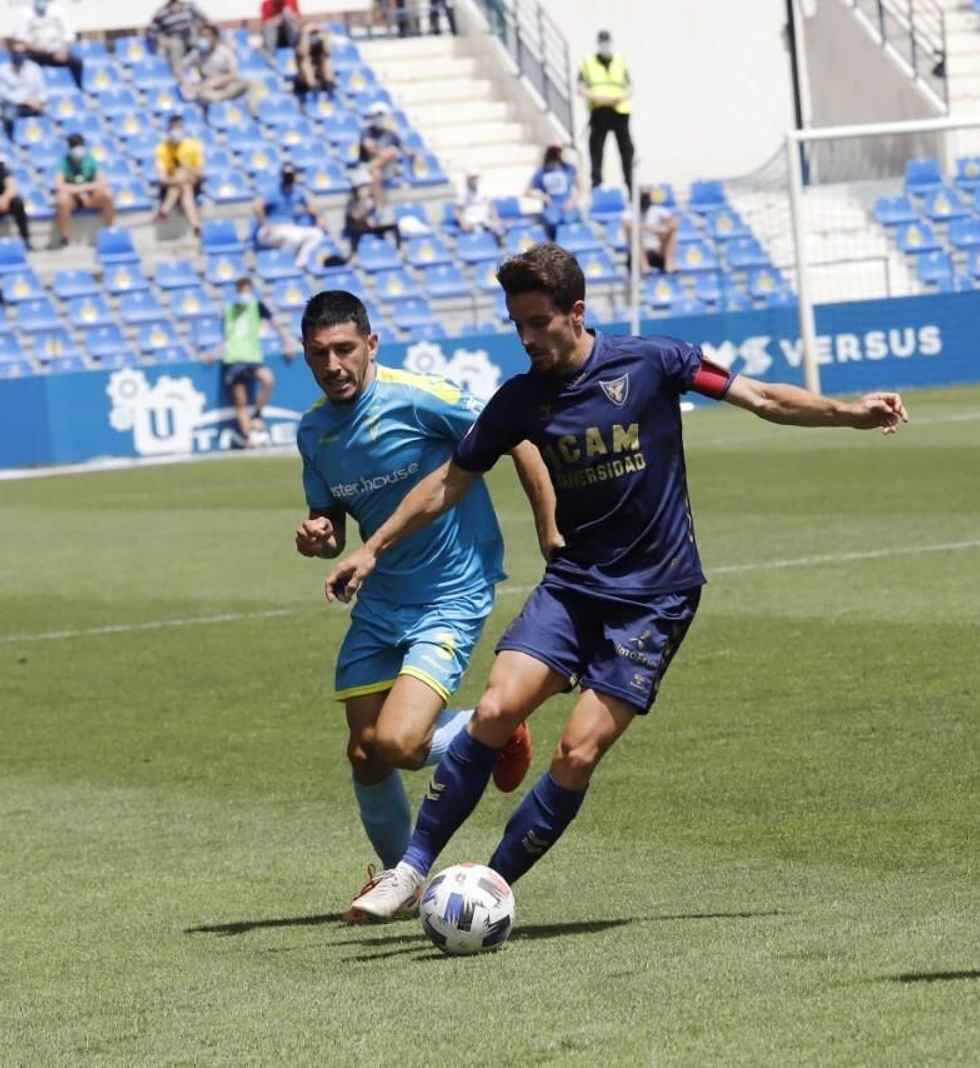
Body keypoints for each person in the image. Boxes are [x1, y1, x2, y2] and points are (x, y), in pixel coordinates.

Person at [334, 243, 909, 919]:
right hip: (575, 586)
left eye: (538, 322)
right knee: (492, 711)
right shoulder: (519, 400)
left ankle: (483, 892)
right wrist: (371, 547)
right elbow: (449, 482)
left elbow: (759, 396)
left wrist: (848, 412)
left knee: (576, 752)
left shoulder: (653, 360)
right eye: (516, 323)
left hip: (656, 597)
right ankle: (412, 869)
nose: (526, 337)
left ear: (577, 313)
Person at [293, 290, 555, 920]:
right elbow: (328, 515)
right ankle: (400, 880)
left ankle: (497, 728)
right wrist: (320, 534)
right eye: (317, 354)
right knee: (365, 752)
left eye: (344, 349)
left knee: (402, 743)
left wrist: (550, 525)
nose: (332, 364)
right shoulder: (314, 433)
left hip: (449, 592)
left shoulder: (419, 397)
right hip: (380, 598)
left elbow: (514, 436)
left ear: (371, 345)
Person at [202, 277, 296, 447]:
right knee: (240, 400)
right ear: (237, 291)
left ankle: (257, 414)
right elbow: (226, 338)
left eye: (247, 290)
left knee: (268, 379)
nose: (244, 294)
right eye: (242, 290)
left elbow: (275, 324)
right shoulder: (229, 310)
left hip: (252, 357)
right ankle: (249, 438)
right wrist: (214, 354)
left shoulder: (257, 306)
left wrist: (287, 342)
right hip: (233, 360)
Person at [578, 30, 634, 192]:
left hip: (620, 111)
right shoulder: (588, 62)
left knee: (626, 151)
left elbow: (629, 87)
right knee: (596, 151)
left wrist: (620, 97)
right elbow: (581, 88)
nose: (605, 45)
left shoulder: (620, 60)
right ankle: (596, 187)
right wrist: (598, 98)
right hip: (599, 111)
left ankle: (630, 186)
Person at [254, 162, 325, 268]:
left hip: (289, 227)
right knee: (294, 237)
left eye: (291, 175)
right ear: (282, 176)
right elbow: (256, 205)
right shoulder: (274, 190)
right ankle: (286, 263)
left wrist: (320, 216)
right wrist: (266, 225)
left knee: (317, 234)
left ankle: (300, 262)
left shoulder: (297, 191)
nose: (289, 178)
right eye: (287, 175)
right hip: (270, 231)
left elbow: (308, 206)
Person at [53, 133, 116, 249]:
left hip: (91, 197)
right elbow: (59, 185)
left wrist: (85, 190)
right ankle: (64, 237)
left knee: (108, 194)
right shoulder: (63, 162)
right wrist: (79, 192)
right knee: (61, 199)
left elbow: (102, 182)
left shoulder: (91, 160)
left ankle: (110, 231)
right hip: (73, 199)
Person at [12, 0, 84, 90]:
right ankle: (23, 92)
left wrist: (63, 50)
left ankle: (79, 88)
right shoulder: (25, 13)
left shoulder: (58, 10)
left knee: (77, 62)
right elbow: (20, 37)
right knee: (19, 59)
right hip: (34, 53)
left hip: (56, 53)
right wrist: (33, 48)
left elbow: (68, 34)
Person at [153, 116, 204, 236]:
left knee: (183, 179)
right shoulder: (162, 149)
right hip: (172, 185)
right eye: (174, 128)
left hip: (193, 182)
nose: (177, 131)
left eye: (180, 128)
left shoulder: (194, 146)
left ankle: (164, 211)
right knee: (183, 185)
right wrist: (177, 178)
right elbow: (162, 178)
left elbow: (201, 173)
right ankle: (195, 224)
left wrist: (185, 168)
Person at [184, 23, 250, 111]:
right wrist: (185, 82)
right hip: (208, 89)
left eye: (206, 36)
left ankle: (254, 115)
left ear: (215, 37)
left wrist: (215, 81)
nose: (203, 39)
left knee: (247, 84)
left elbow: (234, 74)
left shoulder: (225, 51)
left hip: (227, 87)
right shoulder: (196, 53)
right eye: (201, 36)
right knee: (202, 94)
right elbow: (181, 67)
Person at [525, 143, 580, 243]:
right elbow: (527, 192)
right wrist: (543, 196)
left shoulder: (569, 168)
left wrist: (574, 200)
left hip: (568, 207)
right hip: (552, 210)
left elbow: (580, 187)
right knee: (552, 220)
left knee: (571, 219)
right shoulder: (541, 171)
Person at [358, 102, 408, 208]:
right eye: (377, 115)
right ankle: (379, 206)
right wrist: (383, 153)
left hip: (387, 168)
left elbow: (404, 150)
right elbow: (368, 147)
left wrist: (416, 155)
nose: (380, 118)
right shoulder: (366, 131)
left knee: (391, 152)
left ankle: (366, 170)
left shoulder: (391, 134)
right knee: (376, 174)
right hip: (374, 167)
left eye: (382, 115)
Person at [0, 41, 47, 141]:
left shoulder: (34, 68)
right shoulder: (2, 70)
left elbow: (42, 89)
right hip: (14, 105)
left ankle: (43, 139)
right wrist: (24, 100)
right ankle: (11, 139)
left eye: (22, 52)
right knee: (9, 115)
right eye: (16, 52)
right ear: (10, 53)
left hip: (34, 103)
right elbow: (3, 93)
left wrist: (39, 101)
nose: (19, 55)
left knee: (49, 112)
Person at [342, 176, 400, 259]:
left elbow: (376, 214)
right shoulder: (352, 200)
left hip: (371, 225)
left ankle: (399, 250)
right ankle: (354, 254)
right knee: (355, 230)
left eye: (366, 187)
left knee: (394, 226)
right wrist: (364, 205)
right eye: (363, 187)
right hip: (356, 227)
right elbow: (354, 217)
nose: (366, 190)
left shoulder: (371, 198)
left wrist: (374, 219)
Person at [147, 0, 211, 76]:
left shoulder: (190, 6)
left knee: (204, 44)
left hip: (191, 37)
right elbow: (151, 31)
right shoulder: (162, 12)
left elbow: (206, 20)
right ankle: (179, 76)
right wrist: (160, 39)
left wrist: (204, 31)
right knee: (175, 46)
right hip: (175, 40)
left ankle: (206, 72)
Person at [635, 185, 677, 274]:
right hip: (640, 252)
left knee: (671, 233)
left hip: (658, 250)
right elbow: (629, 225)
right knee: (635, 236)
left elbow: (674, 223)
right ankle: (644, 267)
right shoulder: (630, 212)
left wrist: (665, 230)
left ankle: (669, 265)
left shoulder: (657, 210)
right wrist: (654, 229)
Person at [291, 20, 335, 99]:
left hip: (321, 72)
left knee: (326, 60)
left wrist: (324, 33)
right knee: (305, 62)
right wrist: (305, 34)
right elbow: (303, 52)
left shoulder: (321, 37)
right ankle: (314, 88)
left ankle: (329, 85)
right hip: (305, 77)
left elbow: (328, 51)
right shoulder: (300, 37)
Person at [454, 168, 499, 236]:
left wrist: (495, 220)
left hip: (484, 220)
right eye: (471, 178)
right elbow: (457, 212)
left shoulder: (485, 190)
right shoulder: (463, 192)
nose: (474, 180)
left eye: (475, 177)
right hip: (470, 222)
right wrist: (463, 223)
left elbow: (491, 207)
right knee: (477, 231)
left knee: (499, 231)